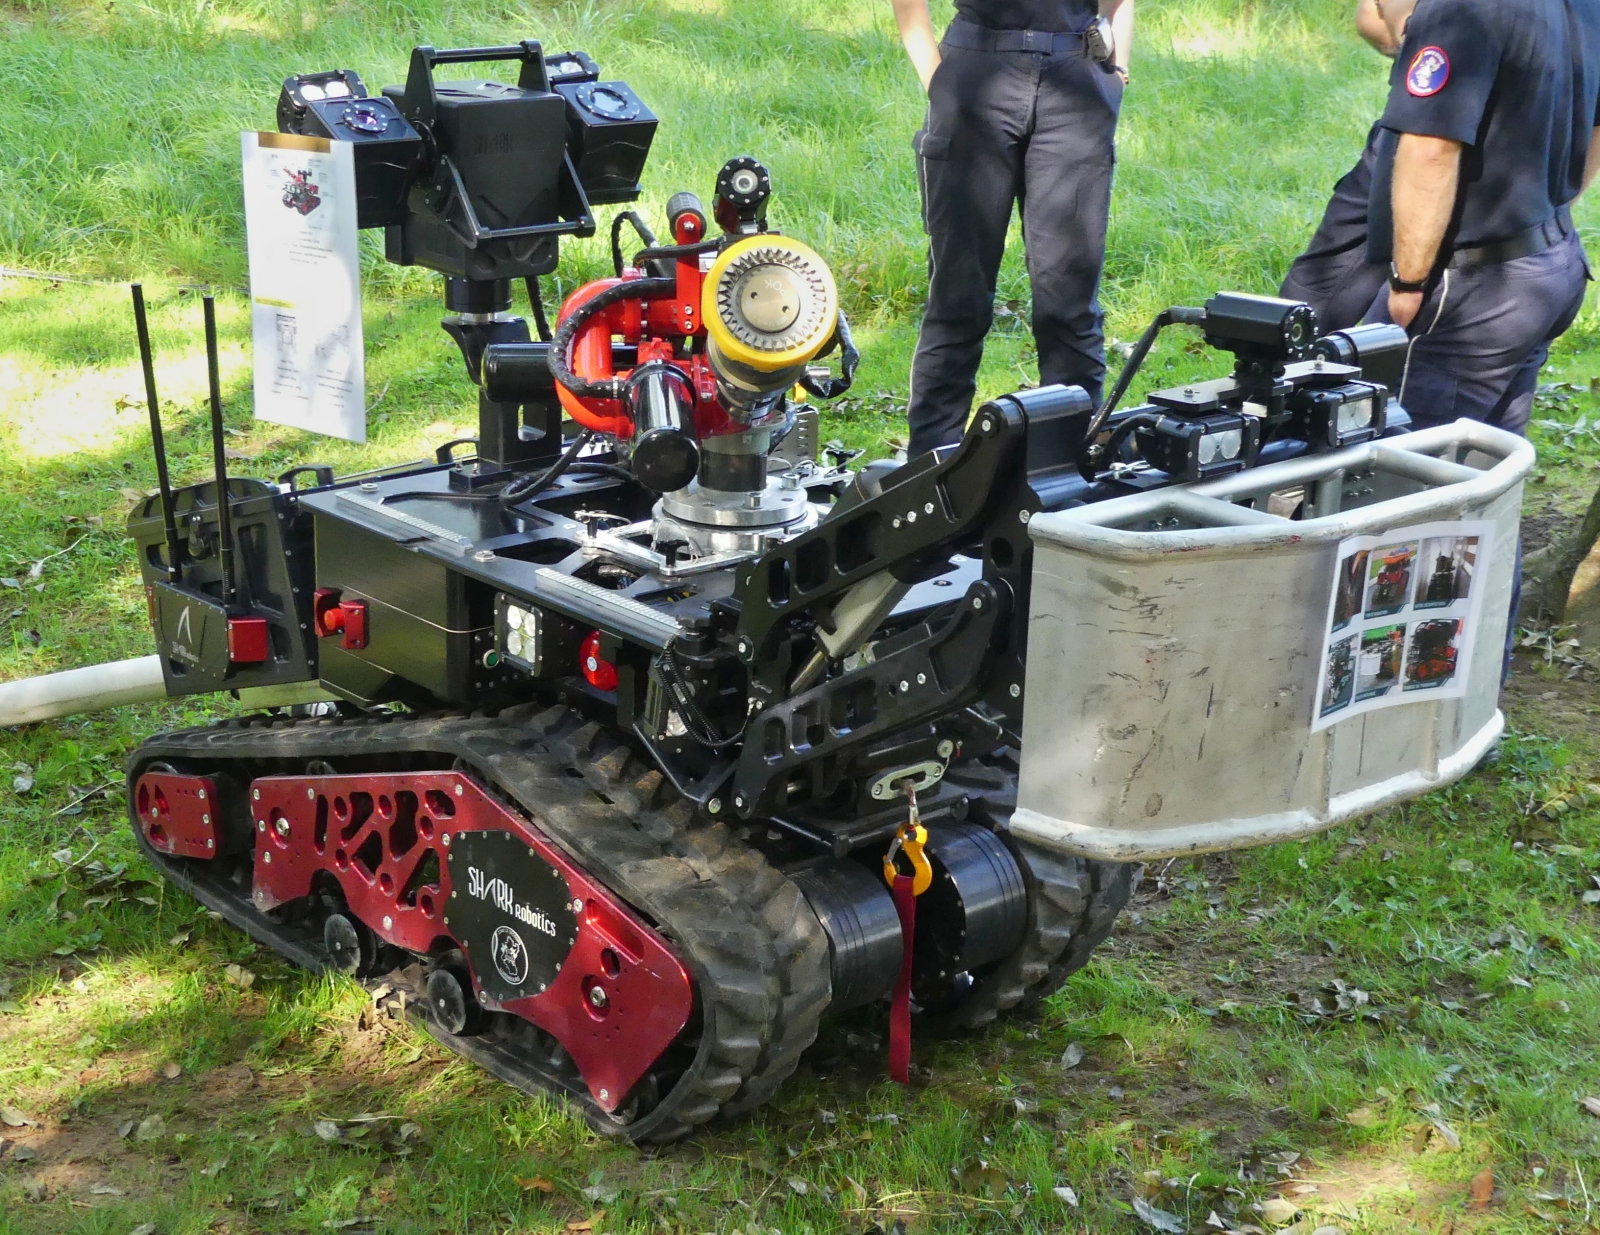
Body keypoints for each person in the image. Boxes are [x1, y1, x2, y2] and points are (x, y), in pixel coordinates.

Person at [891, 0, 1134, 458]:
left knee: (1069, 303)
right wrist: (939, 84)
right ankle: (928, 476)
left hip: (1077, 83)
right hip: (974, 76)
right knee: (959, 298)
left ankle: (1069, 470)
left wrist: (1116, 68)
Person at [1367, 0, 1600, 436]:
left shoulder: (1461, 8)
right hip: (1550, 262)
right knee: (1485, 470)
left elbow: (1431, 150)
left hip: (1470, 288)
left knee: (1403, 468)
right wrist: (1550, 207)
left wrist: (1408, 283)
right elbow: (1595, 129)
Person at [1279, 0, 1417, 332]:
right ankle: (1278, 373)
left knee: (1417, 311)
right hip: (1410, 124)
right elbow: (1370, 15)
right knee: (1314, 293)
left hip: (1500, 147)